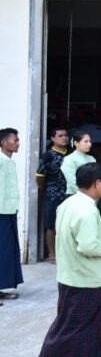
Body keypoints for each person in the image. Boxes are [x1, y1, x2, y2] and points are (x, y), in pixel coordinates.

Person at [31, 162, 101, 357]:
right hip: (87, 279)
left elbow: (76, 239)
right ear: (97, 184)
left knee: (66, 324)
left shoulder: (68, 203)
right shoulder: (89, 210)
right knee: (91, 329)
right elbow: (89, 247)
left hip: (68, 276)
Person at [35, 127, 68, 263]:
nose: (64, 138)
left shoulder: (71, 154)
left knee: (68, 225)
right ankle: (52, 254)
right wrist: (44, 188)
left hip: (69, 193)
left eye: (66, 135)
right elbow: (40, 176)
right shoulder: (48, 155)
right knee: (51, 225)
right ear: (53, 139)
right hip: (52, 194)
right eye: (60, 136)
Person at [0, 128, 23, 302]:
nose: (18, 143)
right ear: (3, 143)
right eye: (14, 140)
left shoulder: (8, 161)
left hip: (8, 210)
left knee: (7, 250)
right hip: (1, 212)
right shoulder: (1, 161)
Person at [61, 131, 96, 198]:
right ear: (76, 143)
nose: (89, 144)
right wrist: (85, 194)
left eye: (90, 141)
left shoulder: (92, 159)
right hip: (74, 195)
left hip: (91, 194)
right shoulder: (69, 159)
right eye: (86, 141)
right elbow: (71, 181)